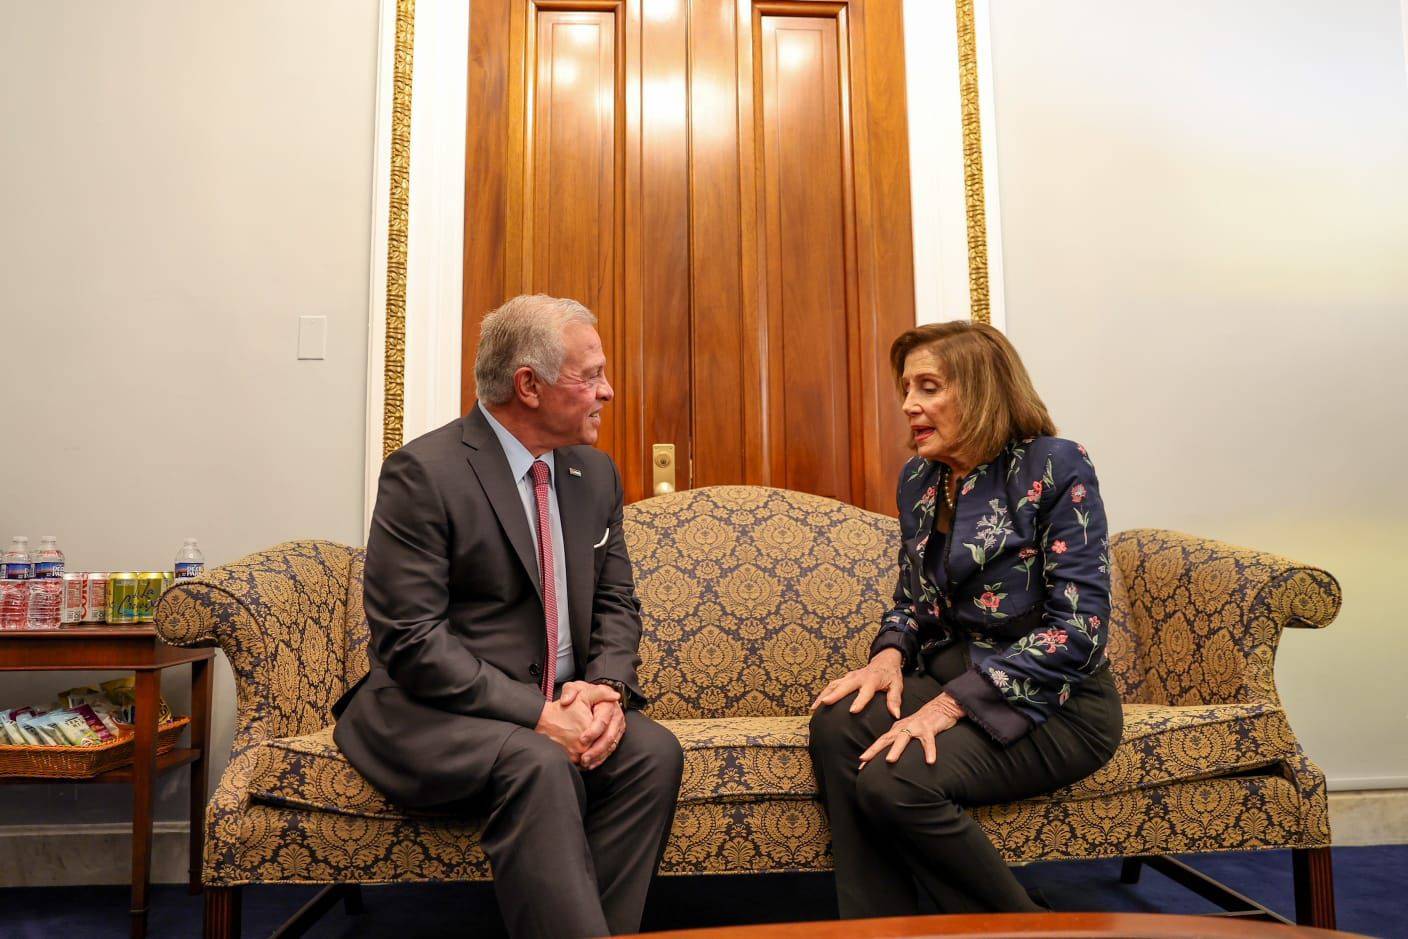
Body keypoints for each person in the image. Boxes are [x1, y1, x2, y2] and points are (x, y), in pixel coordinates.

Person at [333, 294, 684, 939]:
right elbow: (411, 641)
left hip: (555, 703)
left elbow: (616, 600)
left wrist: (606, 687)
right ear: (529, 385)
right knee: (537, 762)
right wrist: (540, 716)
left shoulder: (593, 473)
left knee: (653, 752)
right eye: (591, 376)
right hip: (434, 712)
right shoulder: (424, 473)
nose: (607, 392)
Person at [808, 321, 1123, 917]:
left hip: (1055, 700)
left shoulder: (1054, 465)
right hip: (954, 674)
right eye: (906, 388)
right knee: (839, 722)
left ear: (980, 390)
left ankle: (1025, 931)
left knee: (896, 781)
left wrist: (949, 706)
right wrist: (887, 657)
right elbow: (913, 602)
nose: (909, 405)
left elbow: (1078, 630)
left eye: (928, 388)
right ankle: (880, 927)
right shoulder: (919, 480)